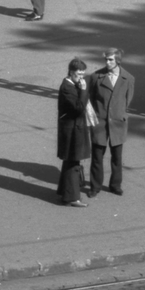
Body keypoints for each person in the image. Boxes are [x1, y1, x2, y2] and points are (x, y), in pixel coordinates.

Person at [86, 50, 133, 196]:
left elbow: (128, 99)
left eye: (110, 60)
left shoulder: (128, 78)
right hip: (100, 123)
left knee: (117, 157)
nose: (107, 63)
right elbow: (91, 99)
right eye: (106, 60)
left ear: (118, 61)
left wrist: (119, 114)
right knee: (97, 157)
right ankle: (95, 186)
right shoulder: (96, 77)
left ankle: (115, 185)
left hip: (118, 123)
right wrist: (94, 120)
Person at [56, 59, 92, 207]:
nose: (81, 76)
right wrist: (83, 90)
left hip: (71, 129)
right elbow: (78, 108)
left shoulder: (71, 85)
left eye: (83, 73)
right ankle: (72, 198)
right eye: (79, 73)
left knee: (70, 161)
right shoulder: (67, 88)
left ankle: (64, 192)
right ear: (71, 72)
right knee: (73, 162)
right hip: (72, 131)